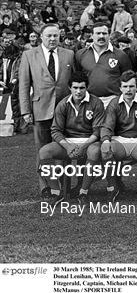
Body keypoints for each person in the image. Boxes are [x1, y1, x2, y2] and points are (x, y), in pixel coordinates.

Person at [19, 23, 75, 198]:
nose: (52, 39)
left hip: (64, 111)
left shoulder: (69, 54)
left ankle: (62, 185)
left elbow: (74, 82)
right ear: (41, 37)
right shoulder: (29, 55)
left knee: (62, 149)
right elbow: (24, 85)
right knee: (42, 150)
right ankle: (45, 186)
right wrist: (25, 110)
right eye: (49, 36)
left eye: (55, 36)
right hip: (40, 110)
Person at [39, 72, 105, 206]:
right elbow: (55, 130)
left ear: (87, 88)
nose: (78, 91)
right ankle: (56, 192)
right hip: (68, 143)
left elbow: (97, 131)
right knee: (44, 152)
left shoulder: (96, 103)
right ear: (70, 88)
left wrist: (83, 147)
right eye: (75, 88)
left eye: (82, 88)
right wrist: (68, 147)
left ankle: (83, 193)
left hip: (89, 142)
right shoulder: (63, 104)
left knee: (94, 152)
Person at [100, 70, 137, 204]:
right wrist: (105, 140)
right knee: (105, 150)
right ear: (120, 88)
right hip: (120, 140)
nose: (128, 90)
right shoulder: (114, 103)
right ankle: (113, 188)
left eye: (131, 86)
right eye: (125, 86)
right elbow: (107, 125)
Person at [75, 22, 132, 108]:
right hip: (89, 100)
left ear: (109, 35)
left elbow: (128, 79)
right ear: (92, 35)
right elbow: (78, 78)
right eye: (98, 33)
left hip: (113, 100)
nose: (101, 36)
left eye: (104, 33)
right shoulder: (81, 54)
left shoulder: (121, 55)